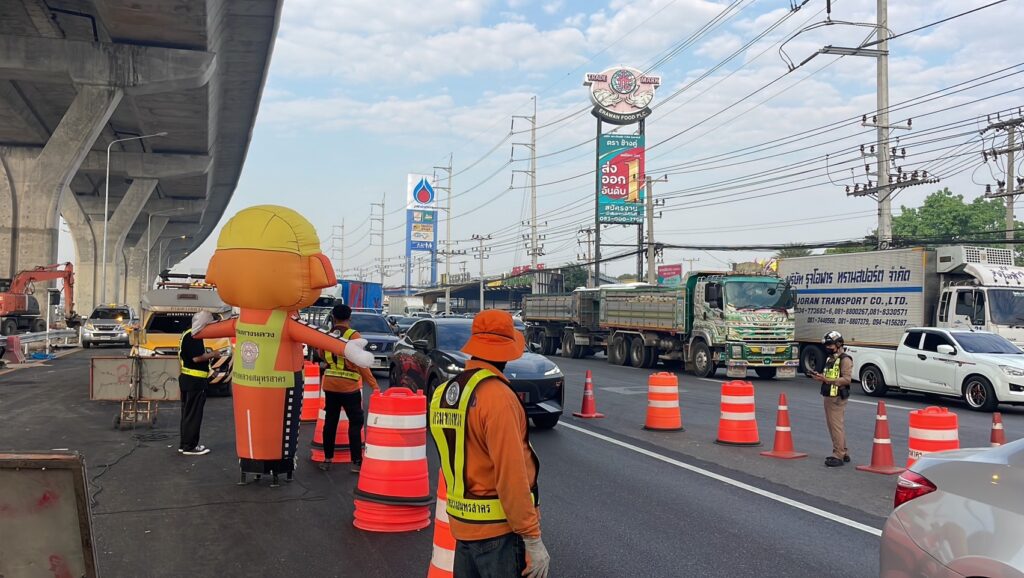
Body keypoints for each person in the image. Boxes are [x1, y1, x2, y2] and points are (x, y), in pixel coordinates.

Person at [428, 310, 550, 578]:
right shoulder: (497, 397)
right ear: (507, 351)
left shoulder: (445, 393)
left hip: (462, 526)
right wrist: (532, 536)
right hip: (498, 532)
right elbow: (511, 475)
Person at [317, 304, 379, 472]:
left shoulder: (327, 335)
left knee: (330, 421)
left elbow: (320, 353)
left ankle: (327, 459)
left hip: (330, 384)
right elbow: (362, 363)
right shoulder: (354, 336)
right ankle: (356, 462)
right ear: (349, 318)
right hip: (349, 386)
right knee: (356, 421)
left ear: (333, 317)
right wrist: (374, 386)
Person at [178, 311, 221, 456]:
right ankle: (190, 446)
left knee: (187, 414)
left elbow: (193, 358)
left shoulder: (189, 334)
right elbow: (197, 358)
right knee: (194, 415)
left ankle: (184, 444)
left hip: (189, 379)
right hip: (194, 382)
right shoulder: (194, 336)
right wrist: (214, 354)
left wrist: (210, 371)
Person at [811, 331, 853, 467]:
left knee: (835, 426)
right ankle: (843, 452)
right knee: (835, 426)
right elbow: (829, 375)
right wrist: (820, 378)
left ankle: (838, 454)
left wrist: (827, 380)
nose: (827, 347)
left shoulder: (845, 359)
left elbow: (847, 379)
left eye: (830, 344)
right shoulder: (831, 358)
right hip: (829, 395)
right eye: (826, 345)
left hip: (837, 396)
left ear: (839, 343)